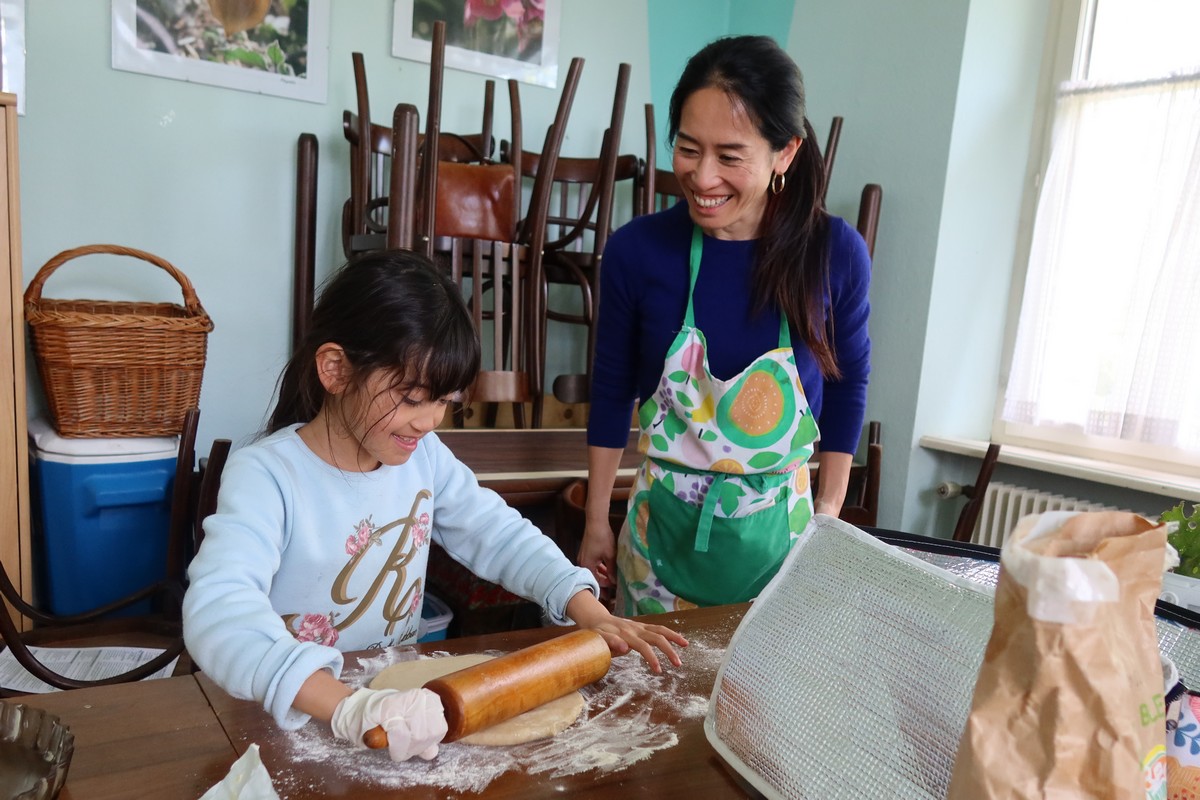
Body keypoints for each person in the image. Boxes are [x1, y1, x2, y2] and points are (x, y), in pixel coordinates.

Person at [183, 250, 686, 762]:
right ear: (335, 370)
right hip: (289, 725)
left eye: (444, 400)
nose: (429, 421)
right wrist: (349, 708)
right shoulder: (268, 475)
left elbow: (495, 532)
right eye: (411, 397)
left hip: (396, 717)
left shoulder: (423, 457)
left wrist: (588, 610)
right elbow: (220, 613)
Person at [580, 35, 872, 616]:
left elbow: (849, 382)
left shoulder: (833, 252)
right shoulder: (638, 251)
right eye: (688, 149)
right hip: (658, 541)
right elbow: (611, 390)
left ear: (785, 153)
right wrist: (594, 522)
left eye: (730, 156)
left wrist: (828, 514)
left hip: (785, 547)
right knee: (652, 677)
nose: (702, 176)